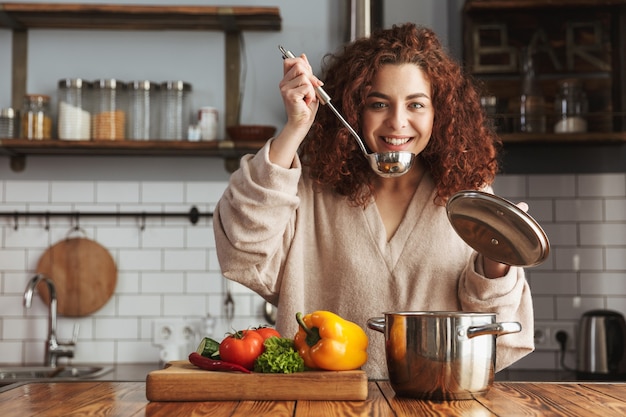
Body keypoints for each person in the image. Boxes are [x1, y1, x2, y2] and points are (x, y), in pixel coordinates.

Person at [213, 23, 534, 379]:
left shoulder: (469, 198)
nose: (397, 122)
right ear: (353, 109)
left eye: (416, 104)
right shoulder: (311, 191)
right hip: (324, 402)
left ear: (439, 113)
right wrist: (296, 127)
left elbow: (497, 330)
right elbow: (242, 249)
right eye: (379, 103)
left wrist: (496, 260)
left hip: (436, 402)